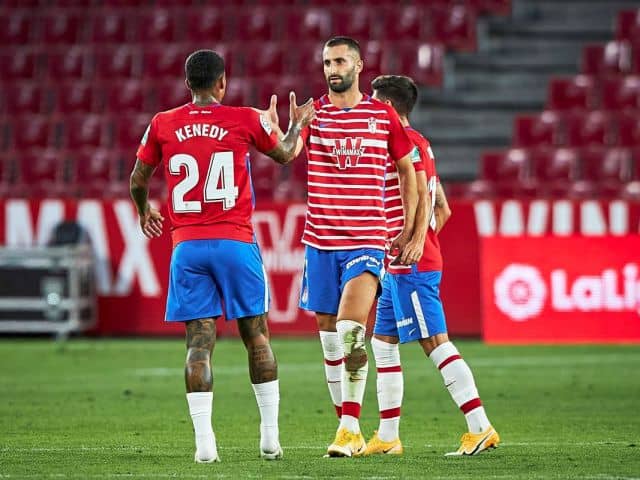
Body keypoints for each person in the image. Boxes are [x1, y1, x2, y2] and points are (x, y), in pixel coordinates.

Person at [128, 49, 315, 463]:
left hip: (188, 247)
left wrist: (144, 211)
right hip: (235, 242)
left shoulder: (163, 123)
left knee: (199, 344)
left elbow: (137, 179)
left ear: (186, 85)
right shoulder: (245, 118)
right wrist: (297, 125)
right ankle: (269, 437)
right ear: (222, 83)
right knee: (258, 336)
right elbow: (286, 154)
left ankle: (204, 445)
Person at [259, 36, 420, 457]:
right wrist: (288, 126)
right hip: (320, 244)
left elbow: (408, 171)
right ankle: (348, 428)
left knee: (351, 332)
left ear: (359, 65)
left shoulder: (382, 116)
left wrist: (406, 229)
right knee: (331, 343)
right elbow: (287, 153)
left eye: (340, 61)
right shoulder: (314, 115)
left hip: (366, 239)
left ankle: (349, 428)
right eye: (327, 61)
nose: (332, 68)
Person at [364, 74, 500, 457]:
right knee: (383, 344)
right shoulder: (420, 143)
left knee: (435, 343)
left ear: (388, 108)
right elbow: (444, 207)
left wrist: (415, 243)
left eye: (375, 104)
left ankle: (481, 427)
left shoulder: (404, 145)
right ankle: (388, 437)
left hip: (410, 263)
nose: (370, 111)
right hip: (397, 264)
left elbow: (424, 198)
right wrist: (423, 236)